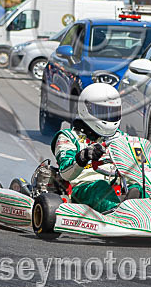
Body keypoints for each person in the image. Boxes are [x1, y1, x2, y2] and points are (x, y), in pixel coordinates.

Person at [51, 83, 143, 213]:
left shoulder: (122, 138)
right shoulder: (68, 137)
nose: (108, 117)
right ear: (85, 109)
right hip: (85, 188)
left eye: (112, 112)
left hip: (120, 185)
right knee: (100, 188)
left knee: (140, 187)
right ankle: (119, 213)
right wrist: (84, 156)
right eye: (102, 112)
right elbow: (65, 173)